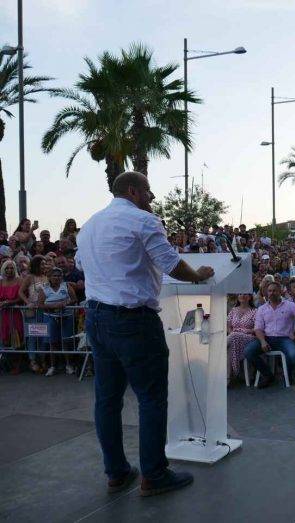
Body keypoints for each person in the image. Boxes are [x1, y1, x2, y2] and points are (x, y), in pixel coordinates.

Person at [77, 171, 215, 497]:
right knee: (151, 397)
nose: (151, 198)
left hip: (96, 317)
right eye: (148, 191)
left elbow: (83, 266)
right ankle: (154, 474)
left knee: (107, 400)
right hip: (134, 321)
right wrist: (196, 276)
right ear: (133, 190)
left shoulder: (90, 225)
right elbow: (170, 264)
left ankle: (117, 472)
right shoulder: (143, 221)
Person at [244, 281, 295, 387]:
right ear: (266, 293)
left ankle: (287, 373)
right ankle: (268, 375)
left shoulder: (289, 305)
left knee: (294, 355)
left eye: (274, 290)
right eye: (269, 291)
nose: (272, 293)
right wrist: (262, 341)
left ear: (280, 292)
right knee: (248, 352)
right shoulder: (262, 309)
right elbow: (258, 328)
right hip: (267, 338)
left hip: (284, 339)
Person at [19, 256, 49, 373]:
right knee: (32, 336)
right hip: (32, 311)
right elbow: (21, 292)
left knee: (43, 336)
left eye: (45, 264)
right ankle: (32, 361)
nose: (44, 266)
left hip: (44, 310)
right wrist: (28, 302)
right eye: (42, 264)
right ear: (36, 265)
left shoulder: (46, 277)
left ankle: (42, 359)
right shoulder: (30, 277)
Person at [0, 260, 25, 374]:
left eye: (11, 268)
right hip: (4, 314)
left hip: (16, 313)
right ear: (3, 269)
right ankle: (8, 364)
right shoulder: (1, 282)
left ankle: (18, 365)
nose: (9, 270)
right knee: (5, 338)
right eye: (7, 268)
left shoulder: (19, 280)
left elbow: (22, 297)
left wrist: (10, 302)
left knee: (17, 337)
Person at [226, 294, 256, 386]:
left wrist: (243, 331)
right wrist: (231, 332)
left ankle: (227, 377)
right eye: (240, 294)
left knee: (233, 337)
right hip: (233, 337)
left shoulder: (255, 311)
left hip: (249, 337)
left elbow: (257, 328)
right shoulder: (233, 310)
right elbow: (228, 325)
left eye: (245, 294)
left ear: (250, 297)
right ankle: (227, 376)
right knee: (232, 340)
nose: (242, 295)